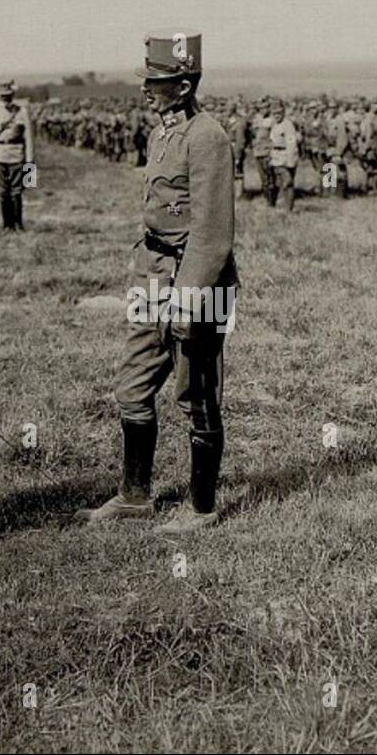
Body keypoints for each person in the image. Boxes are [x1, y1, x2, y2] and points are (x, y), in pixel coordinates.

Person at [75, 31, 238, 534]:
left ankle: (201, 507)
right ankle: (134, 495)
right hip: (153, 277)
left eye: (158, 81)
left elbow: (212, 234)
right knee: (132, 382)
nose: (147, 89)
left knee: (198, 392)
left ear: (185, 86)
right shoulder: (161, 134)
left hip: (197, 282)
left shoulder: (207, 136)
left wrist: (187, 302)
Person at [0, 79, 35, 231]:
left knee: (17, 191)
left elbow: (29, 138)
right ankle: (7, 225)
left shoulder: (22, 111)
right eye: (3, 96)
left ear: (13, 95)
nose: (6, 98)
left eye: (9, 95)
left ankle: (18, 224)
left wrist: (30, 162)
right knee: (2, 192)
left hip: (17, 154)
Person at [267, 99, 300, 210]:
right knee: (278, 183)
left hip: (285, 156)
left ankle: (288, 208)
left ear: (283, 113)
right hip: (276, 157)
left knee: (287, 183)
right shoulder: (275, 125)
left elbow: (291, 144)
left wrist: (290, 161)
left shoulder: (288, 125)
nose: (277, 115)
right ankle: (281, 204)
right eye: (274, 113)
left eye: (279, 113)